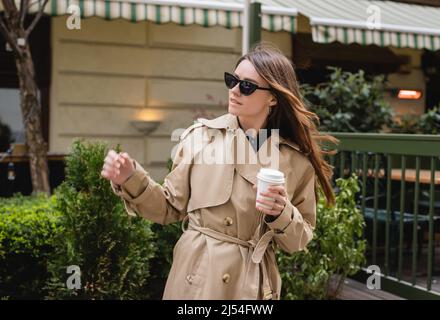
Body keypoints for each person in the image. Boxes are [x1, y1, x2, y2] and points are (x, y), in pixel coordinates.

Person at [101, 43, 337, 300]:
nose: (234, 90)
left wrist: (280, 212)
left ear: (272, 97)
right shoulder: (199, 138)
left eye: (247, 86)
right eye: (232, 80)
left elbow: (299, 240)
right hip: (195, 277)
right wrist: (131, 179)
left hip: (250, 285)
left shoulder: (295, 162)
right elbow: (170, 207)